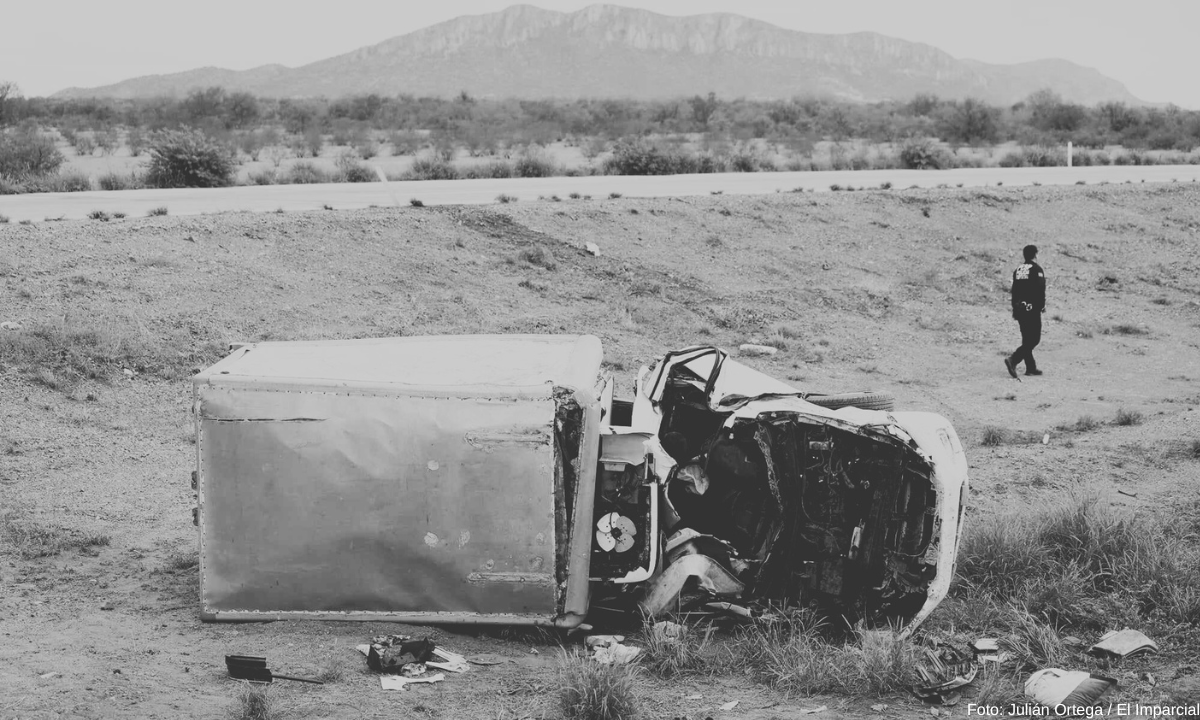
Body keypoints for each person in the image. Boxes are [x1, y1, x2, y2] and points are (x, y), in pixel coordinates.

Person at [1005, 244, 1045, 378]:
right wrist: (1041, 306)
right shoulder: (1036, 269)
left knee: (1026, 338)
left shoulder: (1018, 270)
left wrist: (1014, 308)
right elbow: (1040, 290)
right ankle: (1013, 360)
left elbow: (1014, 290)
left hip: (1019, 307)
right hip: (1032, 309)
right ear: (1035, 254)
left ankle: (1031, 367)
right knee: (1034, 339)